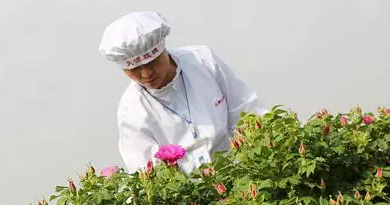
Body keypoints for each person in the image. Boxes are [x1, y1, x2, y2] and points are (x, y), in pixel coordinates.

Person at [98, 11, 265, 173]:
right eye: (134, 69)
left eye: (152, 63)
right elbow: (145, 170)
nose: (146, 74)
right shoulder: (131, 111)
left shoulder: (202, 60)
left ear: (163, 51)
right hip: (191, 194)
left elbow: (246, 109)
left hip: (239, 170)